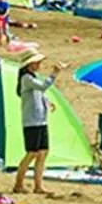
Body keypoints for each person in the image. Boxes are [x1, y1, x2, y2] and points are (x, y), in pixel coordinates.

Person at [12, 53, 64, 196]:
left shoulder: (32, 78)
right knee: (32, 153)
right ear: (29, 65)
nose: (39, 65)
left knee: (42, 153)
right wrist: (54, 73)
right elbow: (43, 86)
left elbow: (38, 94)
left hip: (41, 120)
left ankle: (38, 186)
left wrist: (48, 102)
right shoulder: (26, 78)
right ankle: (18, 184)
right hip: (31, 121)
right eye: (36, 63)